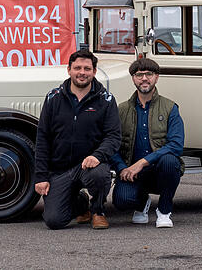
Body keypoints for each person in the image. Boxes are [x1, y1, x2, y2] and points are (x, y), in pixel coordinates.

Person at [34, 50, 121, 230]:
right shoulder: (53, 98)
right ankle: (81, 204)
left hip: (90, 165)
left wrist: (98, 156)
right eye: (77, 68)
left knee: (99, 174)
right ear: (69, 70)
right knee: (54, 221)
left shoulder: (106, 100)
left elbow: (113, 136)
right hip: (60, 170)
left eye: (87, 68)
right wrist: (41, 176)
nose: (82, 72)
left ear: (94, 72)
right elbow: (43, 137)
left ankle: (98, 210)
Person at [111, 58, 184, 228]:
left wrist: (142, 163)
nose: (144, 78)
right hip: (132, 172)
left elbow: (176, 145)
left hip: (159, 169)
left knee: (170, 161)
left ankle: (164, 211)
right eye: (139, 75)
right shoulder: (121, 110)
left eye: (149, 74)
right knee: (121, 201)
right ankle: (142, 201)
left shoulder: (170, 107)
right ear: (133, 79)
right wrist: (122, 168)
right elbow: (112, 144)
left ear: (156, 77)